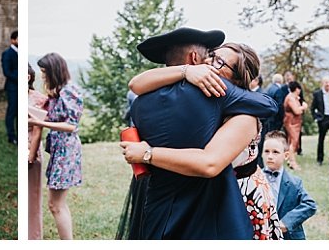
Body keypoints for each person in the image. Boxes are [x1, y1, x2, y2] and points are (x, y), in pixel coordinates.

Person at [118, 27, 277, 239]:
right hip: (211, 207)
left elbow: (135, 85)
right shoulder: (214, 98)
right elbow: (135, 84)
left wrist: (148, 153)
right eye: (211, 57)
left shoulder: (237, 108)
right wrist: (186, 71)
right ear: (195, 58)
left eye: (219, 62)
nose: (210, 64)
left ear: (239, 77)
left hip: (246, 199)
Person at [28, 52, 83, 240]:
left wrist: (41, 123)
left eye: (44, 72)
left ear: (54, 71)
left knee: (56, 205)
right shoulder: (57, 92)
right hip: (58, 150)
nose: (42, 76)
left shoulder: (70, 91)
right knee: (56, 205)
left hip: (66, 150)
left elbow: (71, 125)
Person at [262, 130, 316, 240]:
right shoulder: (256, 179)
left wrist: (287, 222)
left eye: (275, 152)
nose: (270, 156)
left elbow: (310, 204)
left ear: (286, 155)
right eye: (266, 151)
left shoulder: (294, 183)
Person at [26, 64, 48, 240]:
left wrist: (31, 155)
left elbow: (38, 130)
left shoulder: (40, 99)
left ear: (28, 77)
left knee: (32, 198)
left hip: (32, 147)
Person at [312, 76, 329, 166]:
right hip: (323, 119)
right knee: (321, 139)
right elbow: (313, 108)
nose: (327, 84)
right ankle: (319, 159)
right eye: (326, 82)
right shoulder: (317, 94)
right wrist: (316, 118)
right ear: (322, 83)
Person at [283, 81, 307, 169]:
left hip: (295, 123)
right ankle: (293, 163)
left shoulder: (295, 97)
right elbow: (296, 111)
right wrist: (304, 107)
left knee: (292, 142)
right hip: (291, 123)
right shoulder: (290, 98)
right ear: (297, 89)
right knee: (294, 142)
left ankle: (290, 160)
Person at [3, 30, 19, 144]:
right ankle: (11, 136)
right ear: (13, 40)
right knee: (12, 112)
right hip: (13, 87)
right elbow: (7, 72)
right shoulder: (7, 54)